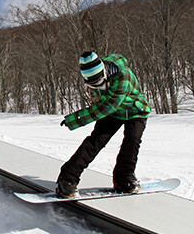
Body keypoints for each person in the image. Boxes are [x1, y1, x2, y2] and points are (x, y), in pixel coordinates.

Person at [57, 52, 151, 198]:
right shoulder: (92, 74)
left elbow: (106, 107)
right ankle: (67, 178)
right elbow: (101, 103)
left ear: (103, 72)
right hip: (113, 111)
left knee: (132, 141)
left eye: (99, 82)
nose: (96, 86)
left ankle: (123, 177)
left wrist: (75, 119)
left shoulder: (122, 77)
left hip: (135, 110)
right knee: (95, 141)